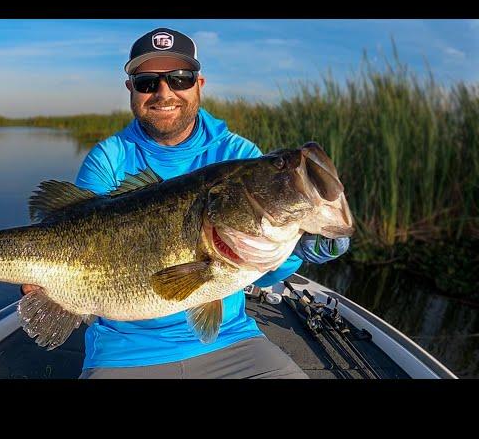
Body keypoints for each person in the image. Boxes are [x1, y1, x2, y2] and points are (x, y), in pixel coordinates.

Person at [22, 28, 350, 379]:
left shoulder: (238, 154)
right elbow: (66, 230)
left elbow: (270, 268)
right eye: (148, 82)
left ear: (199, 84)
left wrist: (300, 246)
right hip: (125, 351)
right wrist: (45, 286)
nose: (165, 92)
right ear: (131, 89)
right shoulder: (109, 157)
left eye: (180, 78)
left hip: (230, 340)